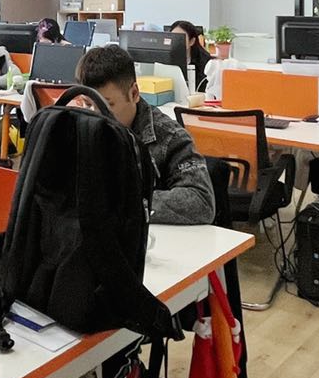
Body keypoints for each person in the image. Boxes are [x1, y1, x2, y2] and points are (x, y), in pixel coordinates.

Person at [75, 44, 215, 226]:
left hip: (152, 237)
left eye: (107, 105)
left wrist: (124, 201)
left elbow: (201, 202)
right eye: (87, 104)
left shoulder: (170, 137)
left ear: (134, 93)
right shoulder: (77, 128)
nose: (95, 115)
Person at [167, 20, 212, 91]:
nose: (176, 42)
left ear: (191, 41)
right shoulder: (167, 57)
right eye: (173, 38)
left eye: (180, 38)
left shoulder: (205, 62)